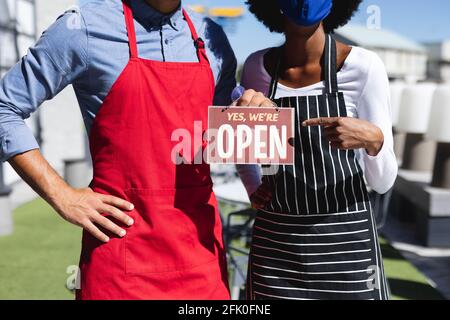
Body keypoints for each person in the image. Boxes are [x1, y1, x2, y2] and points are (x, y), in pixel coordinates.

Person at [0, 0, 272, 300]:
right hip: (120, 260)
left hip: (201, 258)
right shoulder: (84, 27)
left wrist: (252, 112)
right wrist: (61, 195)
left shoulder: (210, 36)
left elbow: (223, 125)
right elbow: (5, 107)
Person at [237, 0, 398, 300]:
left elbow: (383, 182)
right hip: (276, 248)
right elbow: (245, 147)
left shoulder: (364, 67)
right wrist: (252, 185)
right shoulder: (256, 68)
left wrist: (375, 142)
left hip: (347, 246)